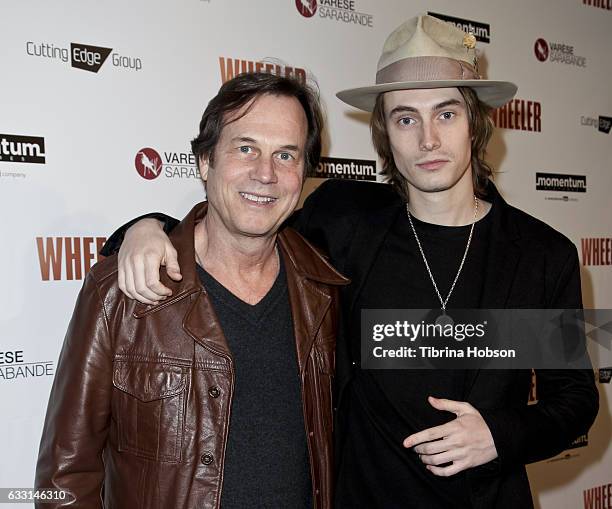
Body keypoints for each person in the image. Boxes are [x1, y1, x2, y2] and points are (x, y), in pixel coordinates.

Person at [102, 15, 598, 508]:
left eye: (446, 114)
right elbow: (239, 229)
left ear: (475, 122)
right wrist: (149, 226)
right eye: (406, 118)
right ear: (383, 130)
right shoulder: (345, 223)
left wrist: (500, 433)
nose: (427, 139)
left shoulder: (540, 255)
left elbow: (575, 402)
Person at [35, 72, 348, 509]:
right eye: (246, 148)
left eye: (286, 155)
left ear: (303, 175)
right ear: (205, 162)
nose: (265, 173)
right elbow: (65, 476)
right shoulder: (121, 292)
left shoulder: (325, 291)